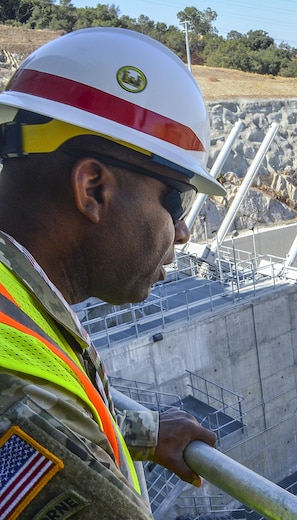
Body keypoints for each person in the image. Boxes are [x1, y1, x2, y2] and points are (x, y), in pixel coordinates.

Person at [0, 27, 223, 519]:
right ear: (93, 189)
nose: (182, 232)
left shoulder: (15, 296)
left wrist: (139, 433)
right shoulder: (24, 400)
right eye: (176, 200)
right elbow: (38, 416)